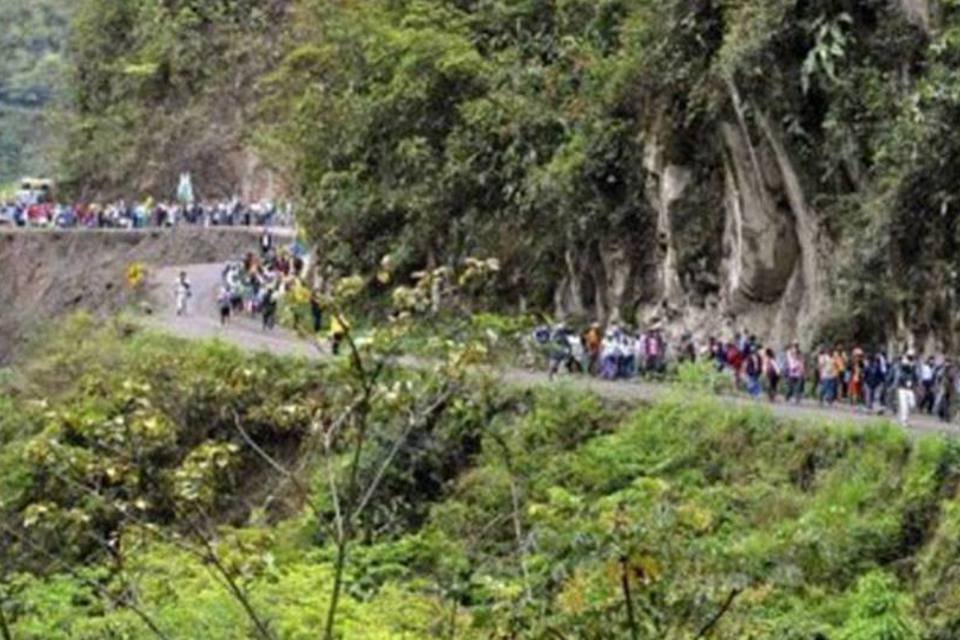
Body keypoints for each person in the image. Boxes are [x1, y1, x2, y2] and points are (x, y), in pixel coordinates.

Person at [895, 351, 919, 427]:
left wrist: (916, 385)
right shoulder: (903, 363)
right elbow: (903, 366)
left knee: (912, 404)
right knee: (904, 405)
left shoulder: (914, 366)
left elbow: (915, 376)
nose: (911, 358)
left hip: (910, 389)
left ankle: (901, 417)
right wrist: (906, 360)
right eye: (910, 356)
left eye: (912, 356)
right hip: (902, 388)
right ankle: (904, 421)